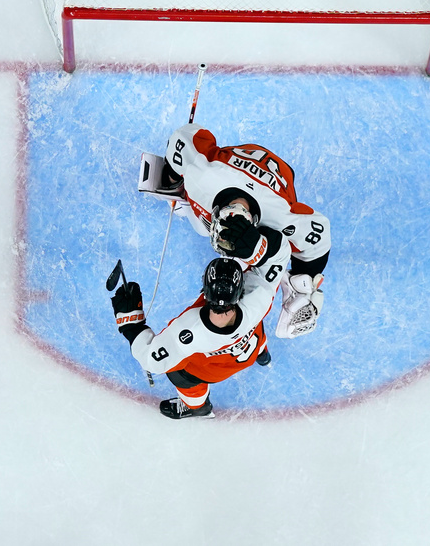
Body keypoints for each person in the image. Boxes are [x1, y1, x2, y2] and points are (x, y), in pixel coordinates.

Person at [138, 123, 328, 338]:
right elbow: (181, 138)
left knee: (234, 247)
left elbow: (320, 235)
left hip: (277, 181)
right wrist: (175, 178)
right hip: (243, 169)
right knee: (203, 230)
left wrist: (305, 280)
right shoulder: (202, 173)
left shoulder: (280, 216)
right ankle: (186, 202)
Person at [111, 230, 289, 419]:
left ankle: (198, 408)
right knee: (254, 329)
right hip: (249, 349)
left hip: (212, 371)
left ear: (205, 290)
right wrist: (252, 238)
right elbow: (280, 253)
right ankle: (263, 356)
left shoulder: (188, 331)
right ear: (239, 291)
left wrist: (131, 321)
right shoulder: (259, 295)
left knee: (178, 373)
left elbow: (152, 361)